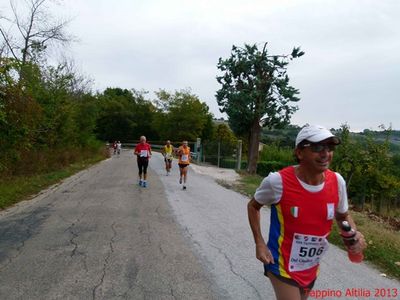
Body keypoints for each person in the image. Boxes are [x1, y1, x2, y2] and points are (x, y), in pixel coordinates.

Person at [247, 124, 367, 300]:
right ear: (299, 152)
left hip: (310, 266)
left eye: (329, 147)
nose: (326, 153)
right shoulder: (277, 182)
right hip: (280, 263)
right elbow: (253, 206)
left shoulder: (337, 181)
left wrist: (353, 234)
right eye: (317, 147)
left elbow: (342, 216)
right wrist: (259, 243)